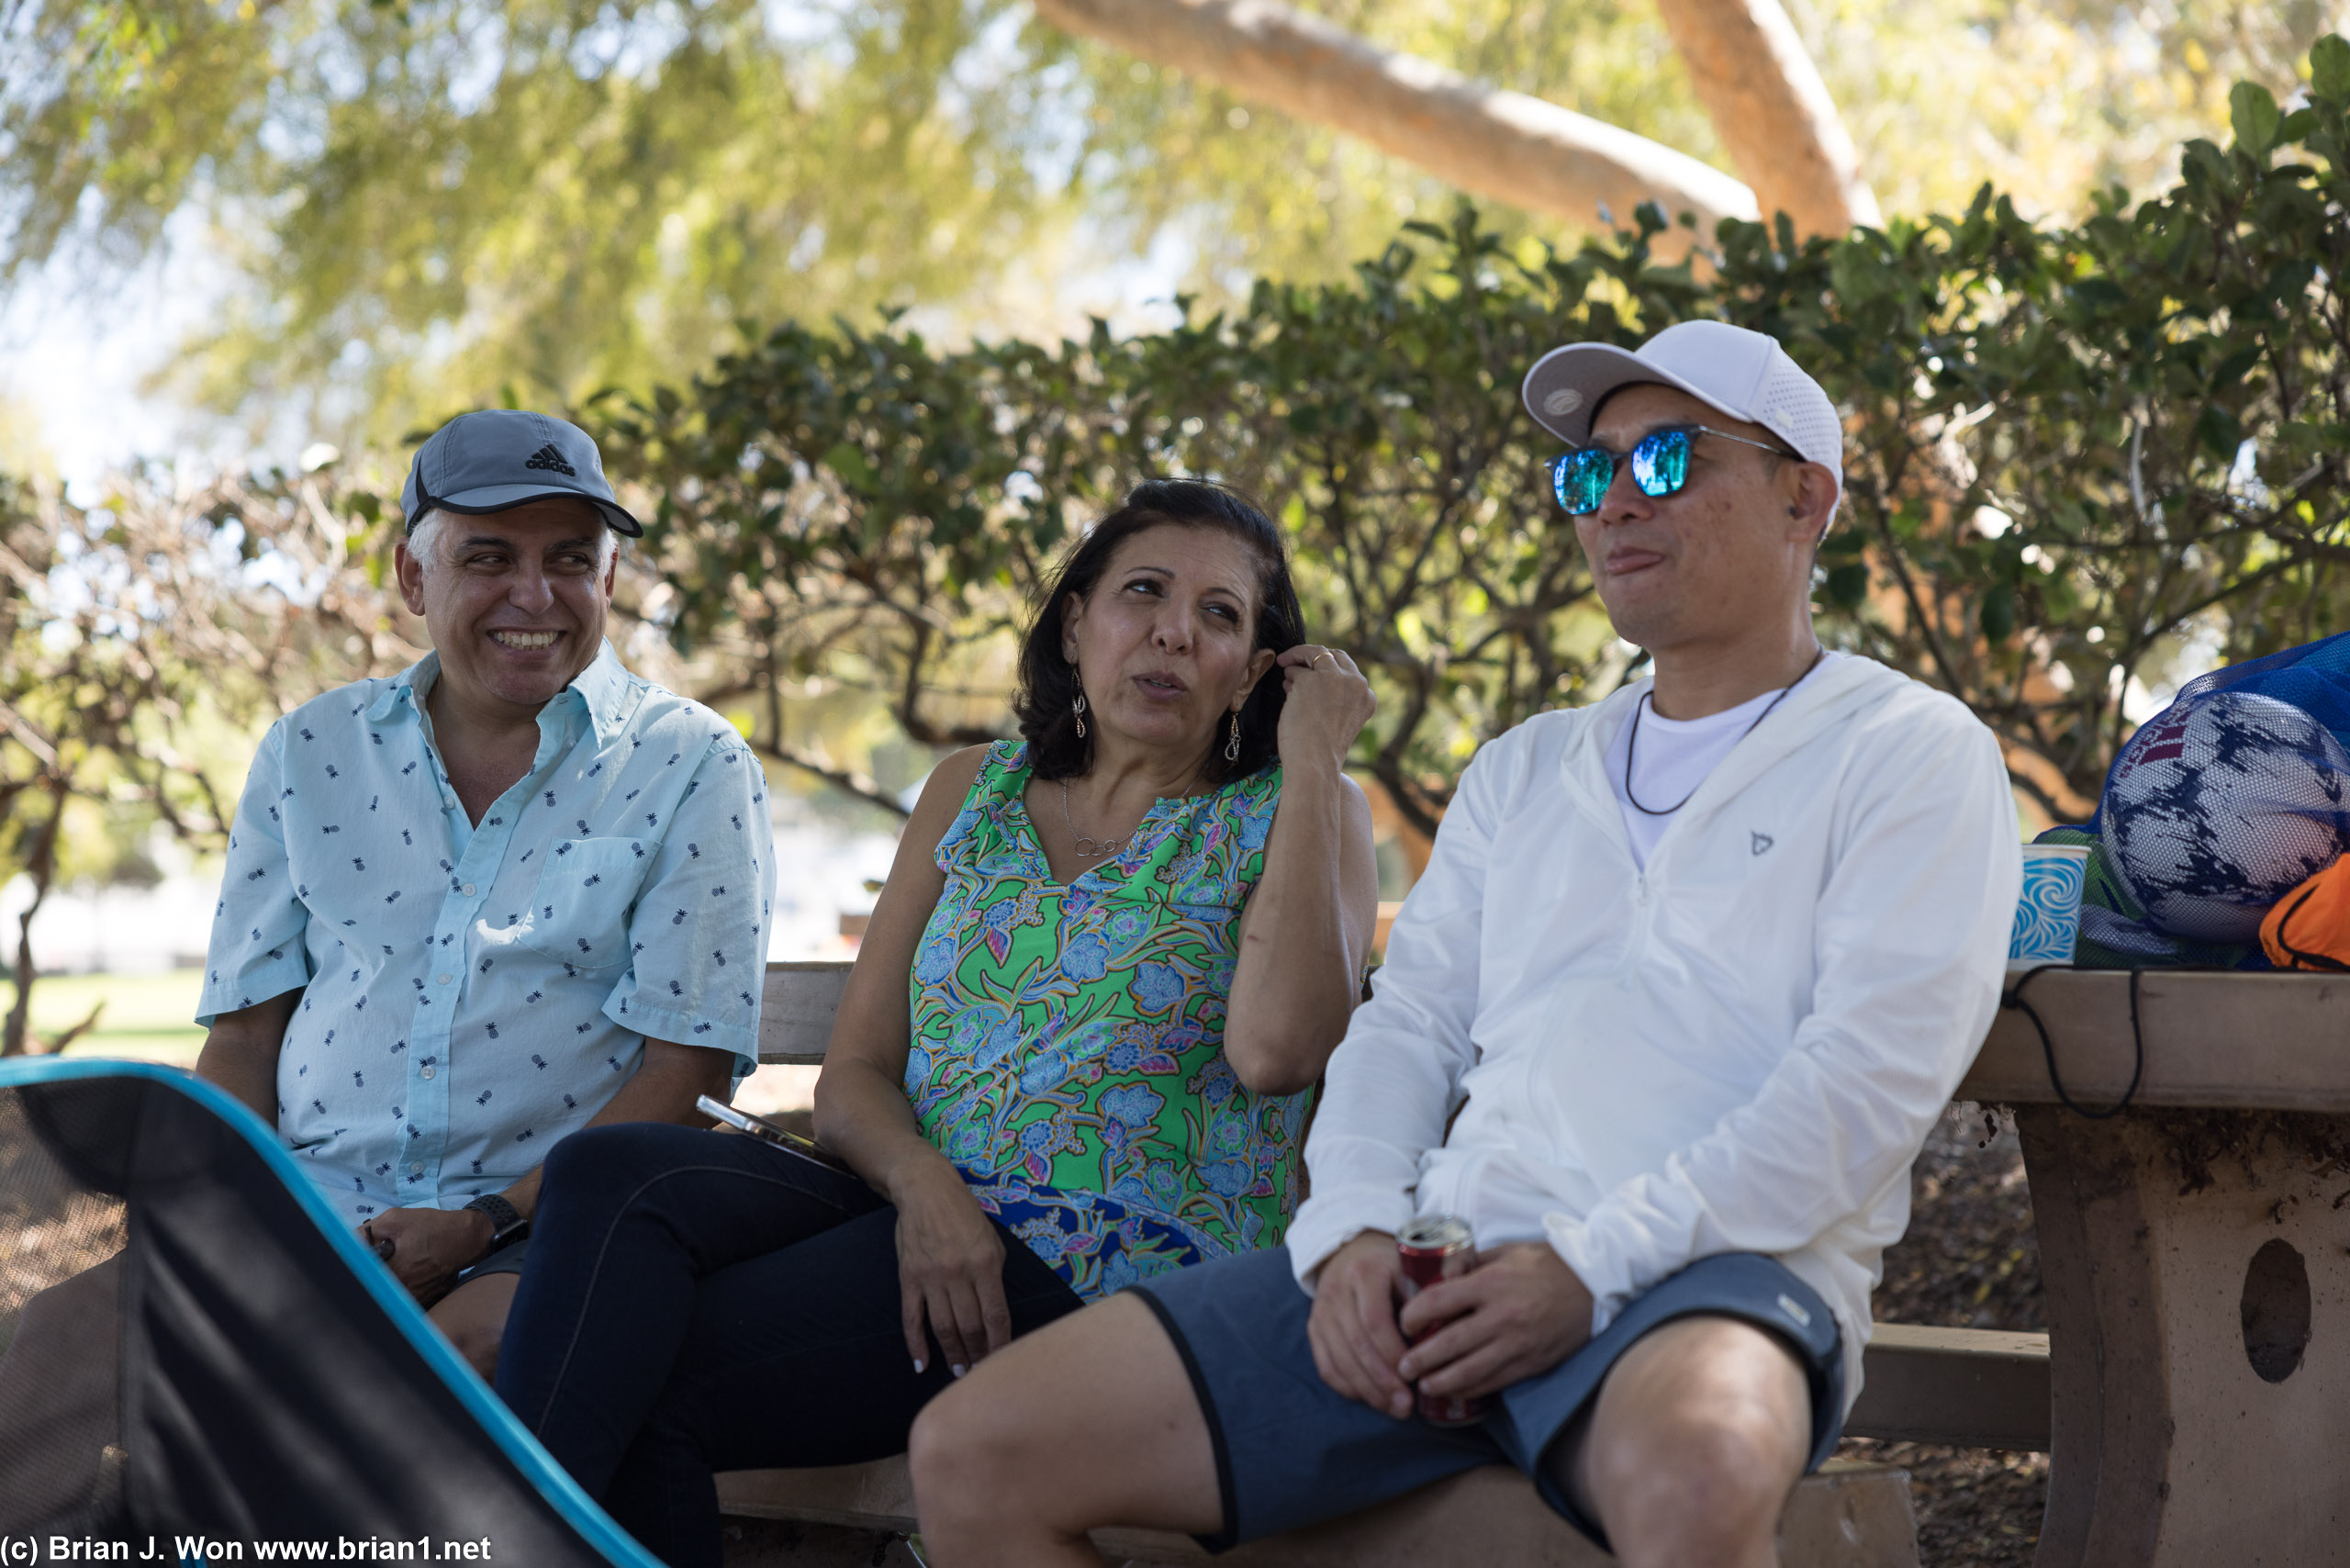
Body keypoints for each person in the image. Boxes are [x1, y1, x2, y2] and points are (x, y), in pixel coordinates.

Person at [904, 321, 2024, 1568]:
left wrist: (1587, 1269)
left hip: (1709, 1279)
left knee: (1699, 1467)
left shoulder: (1910, 752)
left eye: (1664, 461)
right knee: (975, 1456)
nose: (1611, 504)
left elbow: (1863, 1089)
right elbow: (1410, 1028)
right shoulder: (1528, 767)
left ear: (1803, 496)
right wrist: (1353, 1236)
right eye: (1586, 473)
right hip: (1434, 1267)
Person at [492, 478, 1380, 1568]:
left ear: (1254, 670)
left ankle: (500, 1541)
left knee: (643, 1382)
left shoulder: (1293, 807)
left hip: (1110, 1258)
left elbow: (1279, 1052)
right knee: (607, 1174)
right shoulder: (974, 790)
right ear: (1076, 620)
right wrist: (930, 1194)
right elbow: (856, 1071)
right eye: (1143, 591)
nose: (1172, 632)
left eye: (1220, 615)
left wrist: (1313, 761)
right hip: (912, 1209)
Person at [192, 409, 776, 1378]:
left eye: (573, 560)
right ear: (414, 578)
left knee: (429, 1368)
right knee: (59, 1349)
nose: (535, 595)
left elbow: (688, 1073)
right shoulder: (311, 750)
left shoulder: (690, 763)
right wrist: (217, 1216)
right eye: (490, 557)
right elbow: (246, 1035)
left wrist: (479, 1221)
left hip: (540, 1228)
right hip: (310, 1212)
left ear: (612, 580)